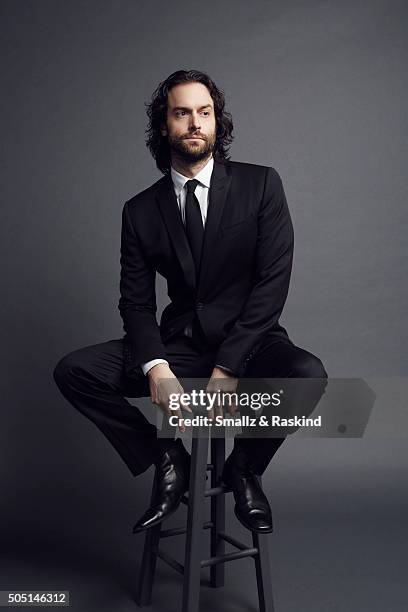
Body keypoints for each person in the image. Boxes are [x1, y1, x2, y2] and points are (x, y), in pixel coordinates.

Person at [53, 69, 328, 535]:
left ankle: (243, 469)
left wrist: (228, 369)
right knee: (74, 371)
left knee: (308, 375)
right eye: (182, 113)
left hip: (249, 341)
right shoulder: (139, 211)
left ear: (217, 121)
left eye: (205, 112)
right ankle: (167, 459)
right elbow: (136, 304)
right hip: (178, 343)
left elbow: (271, 284)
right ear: (165, 125)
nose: (195, 123)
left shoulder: (260, 185)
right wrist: (156, 367)